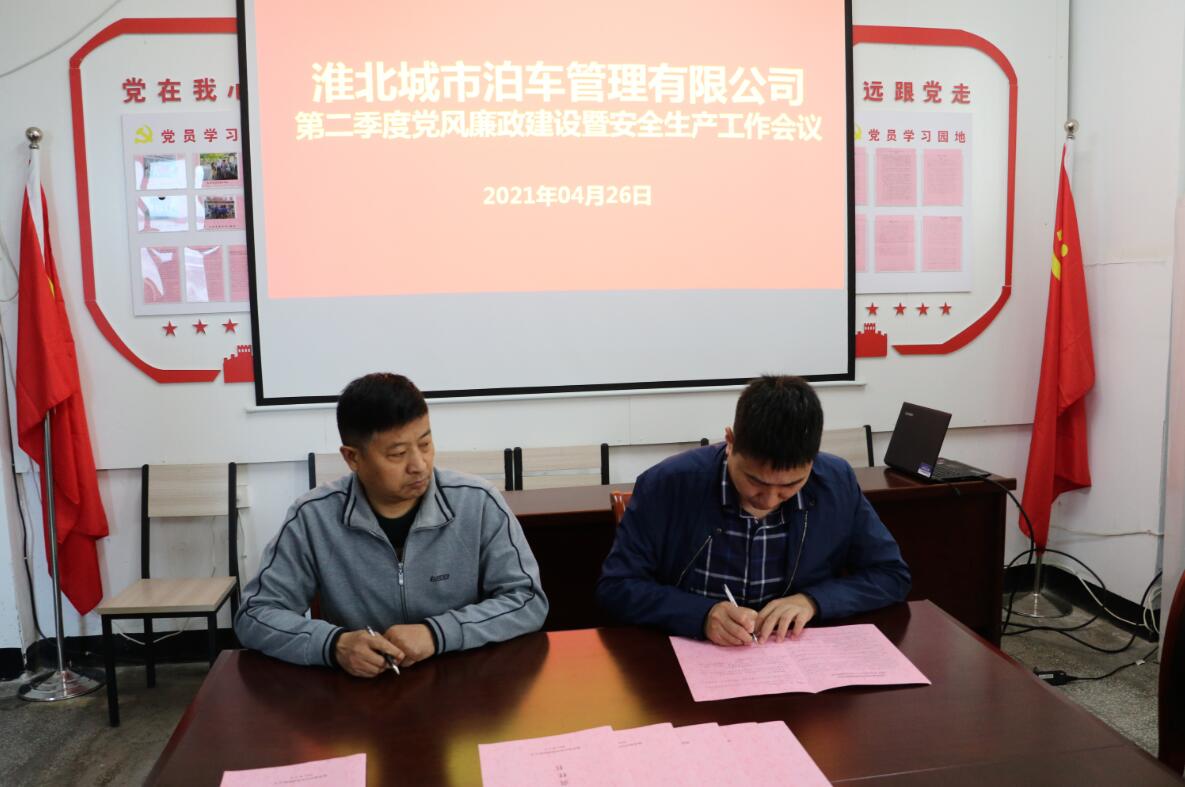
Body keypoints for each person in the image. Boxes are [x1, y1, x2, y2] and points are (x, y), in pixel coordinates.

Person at [235, 373, 548, 677]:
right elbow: (255, 615)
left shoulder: (477, 503)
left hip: (464, 682)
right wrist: (334, 644)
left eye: (425, 444)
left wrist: (437, 633)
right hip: (360, 692)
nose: (419, 465)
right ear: (352, 458)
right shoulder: (313, 517)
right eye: (397, 454)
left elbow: (527, 599)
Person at [596, 375, 910, 646]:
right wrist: (701, 614)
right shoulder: (668, 485)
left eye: (791, 485)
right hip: (691, 655)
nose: (770, 500)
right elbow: (617, 587)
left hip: (792, 655)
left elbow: (890, 575)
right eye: (755, 482)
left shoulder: (836, 483)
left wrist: (813, 601)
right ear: (730, 442)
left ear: (813, 458)